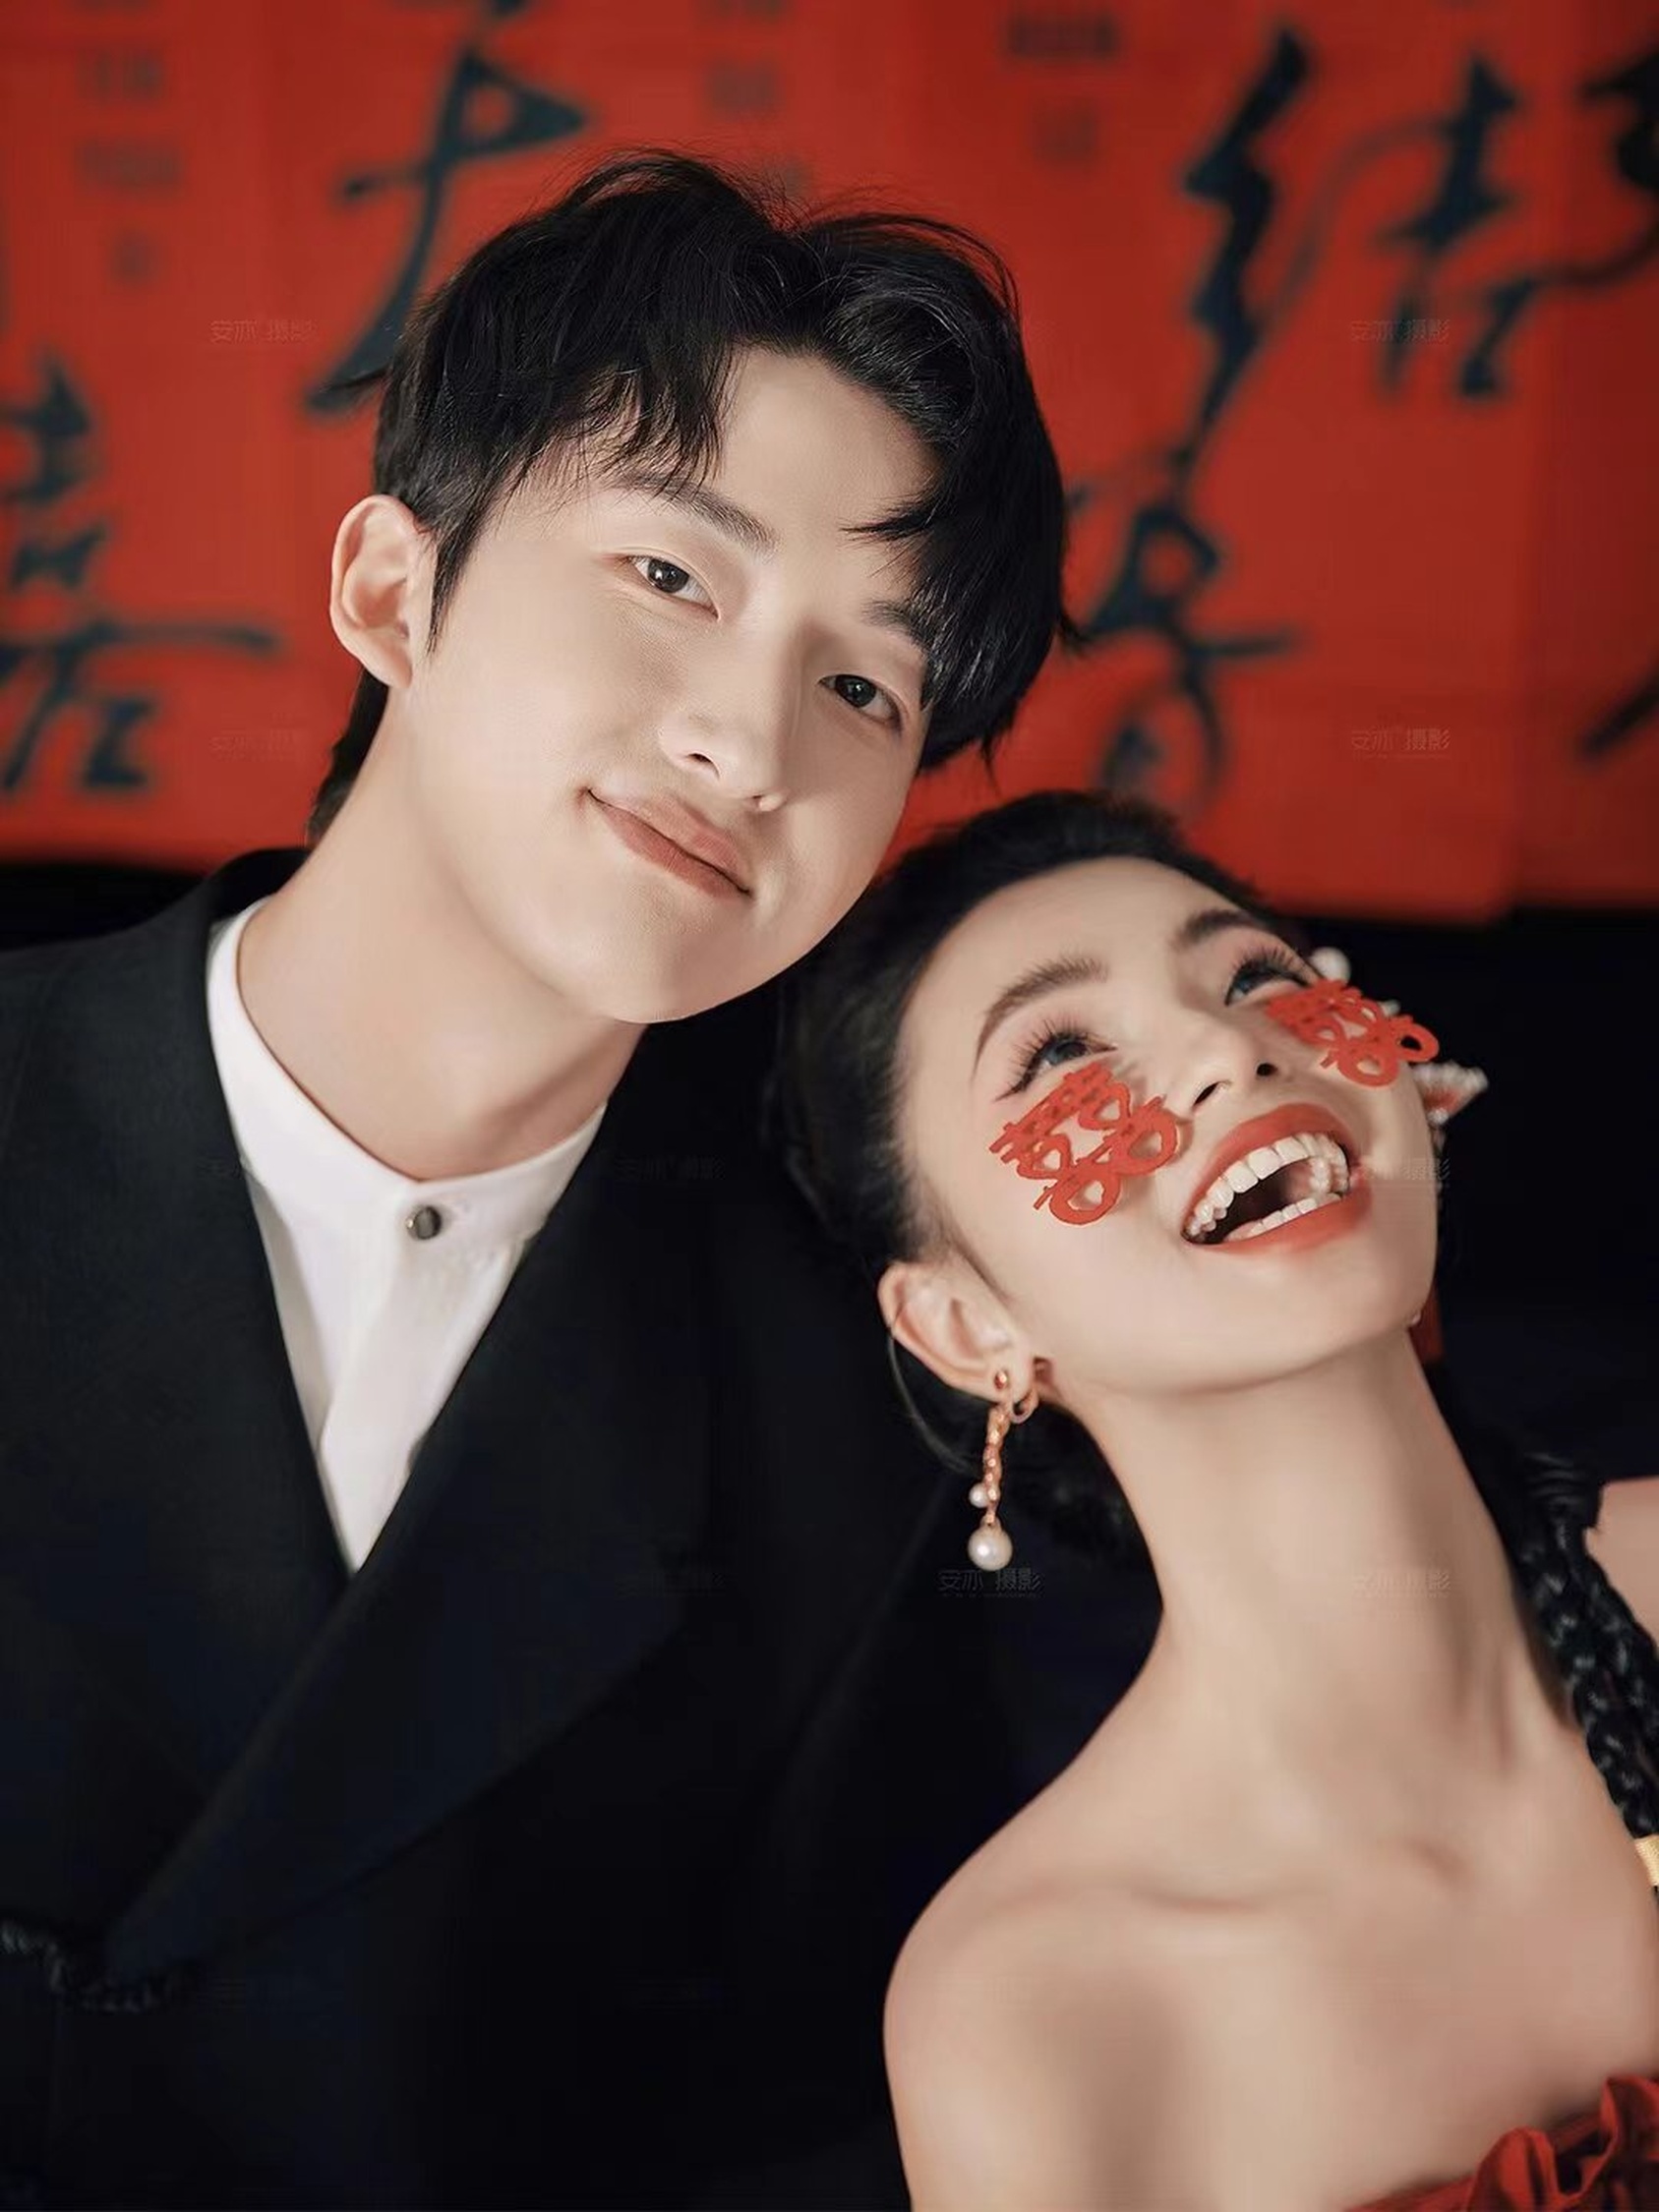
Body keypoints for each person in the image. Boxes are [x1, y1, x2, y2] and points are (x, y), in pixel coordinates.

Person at [0, 152, 1081, 2207]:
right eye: (673, 575)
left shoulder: (838, 1421)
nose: (750, 744)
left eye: (865, 686)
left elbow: (783, 2125)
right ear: (391, 592)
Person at [773, 787, 1659, 2210]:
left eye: (1256, 978)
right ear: (963, 1325)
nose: (1226, 1049)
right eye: (1060, 1052)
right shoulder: (1037, 2008)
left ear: (1418, 1096)